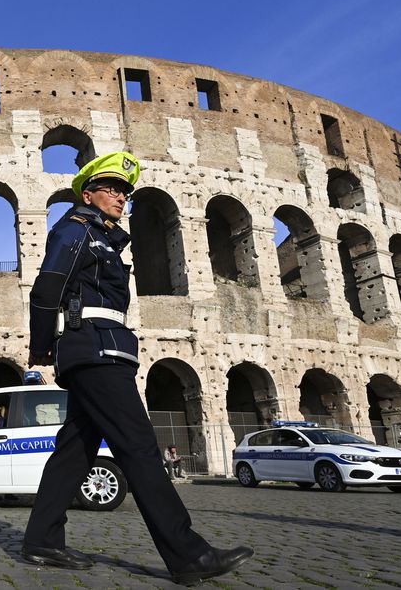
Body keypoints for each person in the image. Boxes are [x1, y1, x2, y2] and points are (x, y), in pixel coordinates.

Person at [22, 152, 253, 585]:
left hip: (105, 348)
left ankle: (42, 539)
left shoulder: (105, 239)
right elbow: (47, 286)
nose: (121, 198)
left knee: (74, 451)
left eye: (125, 192)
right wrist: (41, 347)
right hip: (92, 350)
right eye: (112, 189)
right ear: (87, 194)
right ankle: (187, 554)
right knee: (140, 448)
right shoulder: (75, 230)